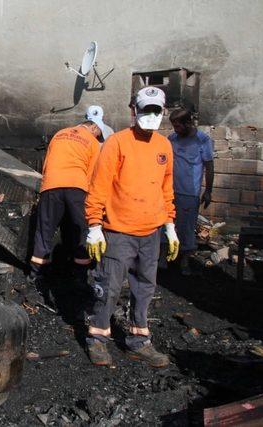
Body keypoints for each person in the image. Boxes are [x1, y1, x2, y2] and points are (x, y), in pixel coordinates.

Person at [84, 86, 179, 368]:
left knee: (145, 288)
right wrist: (94, 225)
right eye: (145, 109)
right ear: (133, 110)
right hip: (118, 232)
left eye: (156, 110)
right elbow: (98, 186)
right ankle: (97, 338)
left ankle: (139, 341)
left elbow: (166, 189)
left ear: (162, 112)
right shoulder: (117, 143)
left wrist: (170, 225)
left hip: (151, 233)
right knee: (108, 287)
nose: (150, 115)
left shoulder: (164, 146)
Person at [29, 115, 108, 292]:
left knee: (45, 231)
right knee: (81, 231)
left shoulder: (59, 134)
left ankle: (36, 274)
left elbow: (47, 163)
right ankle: (79, 275)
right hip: (77, 187)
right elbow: (92, 174)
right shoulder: (92, 142)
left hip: (51, 185)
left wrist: (45, 186)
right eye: (99, 134)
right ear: (94, 128)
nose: (98, 138)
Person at [168, 108, 214, 275]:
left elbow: (209, 166)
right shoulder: (172, 138)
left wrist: (208, 190)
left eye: (178, 126)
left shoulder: (202, 140)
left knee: (186, 228)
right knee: (166, 225)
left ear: (188, 123)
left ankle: (185, 261)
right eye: (173, 126)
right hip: (169, 191)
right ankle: (164, 259)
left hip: (189, 193)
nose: (175, 130)